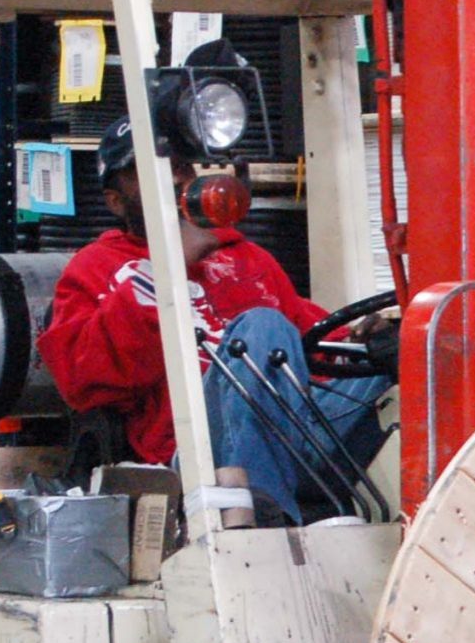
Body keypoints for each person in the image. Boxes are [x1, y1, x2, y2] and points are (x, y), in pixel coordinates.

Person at [38, 117, 393, 524]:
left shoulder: (248, 258)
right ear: (116, 201)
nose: (175, 178)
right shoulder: (96, 268)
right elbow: (82, 382)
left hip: (301, 431)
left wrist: (364, 342)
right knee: (262, 327)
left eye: (181, 166)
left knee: (414, 348)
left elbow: (312, 338)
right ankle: (259, 517)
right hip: (197, 447)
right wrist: (168, 267)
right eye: (150, 170)